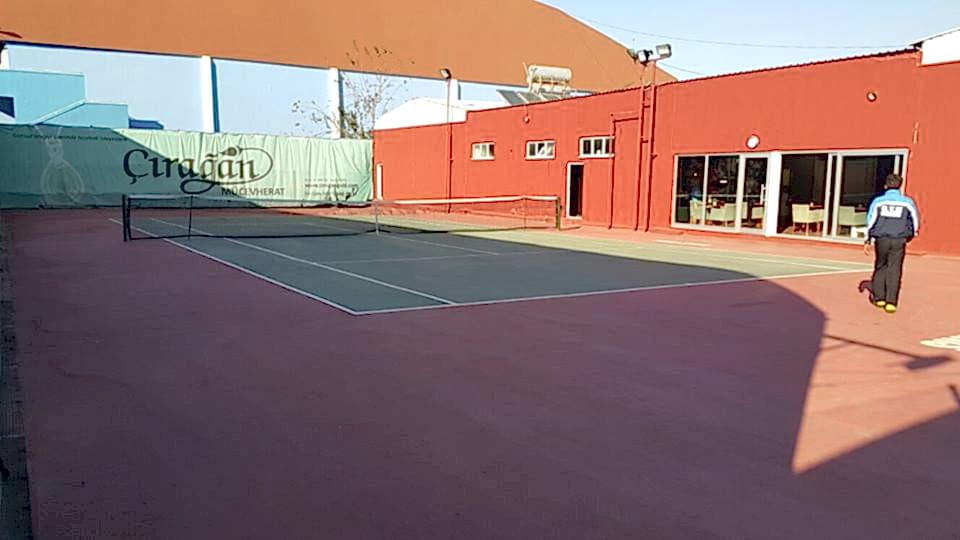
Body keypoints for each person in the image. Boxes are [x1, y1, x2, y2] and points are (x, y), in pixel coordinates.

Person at [862, 174, 920, 314]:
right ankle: (891, 302)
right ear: (900, 186)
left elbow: (870, 220)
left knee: (880, 266)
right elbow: (915, 220)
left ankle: (879, 298)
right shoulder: (907, 202)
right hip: (899, 239)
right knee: (895, 269)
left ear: (886, 186)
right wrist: (912, 234)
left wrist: (867, 239)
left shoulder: (878, 201)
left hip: (882, 239)